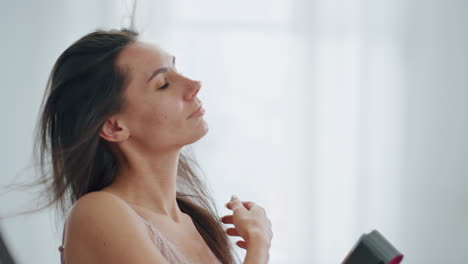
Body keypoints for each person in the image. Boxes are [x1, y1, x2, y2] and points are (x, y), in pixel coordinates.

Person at [34, 29, 273, 264]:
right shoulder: (98, 212)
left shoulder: (195, 223)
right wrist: (259, 245)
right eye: (163, 84)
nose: (195, 85)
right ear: (115, 127)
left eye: (177, 70)